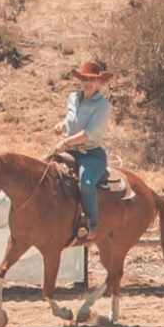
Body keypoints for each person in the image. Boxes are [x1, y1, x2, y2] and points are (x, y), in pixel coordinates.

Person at [53, 58, 114, 238]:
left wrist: (65, 142)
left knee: (86, 183)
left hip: (90, 154)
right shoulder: (73, 98)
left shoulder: (102, 105)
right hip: (69, 151)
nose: (88, 83)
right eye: (85, 79)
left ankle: (92, 224)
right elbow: (72, 120)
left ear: (100, 83)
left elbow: (88, 133)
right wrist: (62, 125)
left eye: (92, 80)